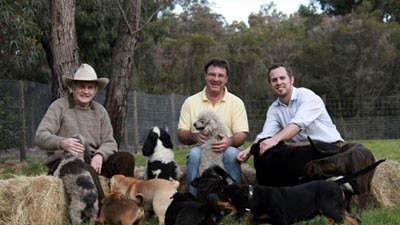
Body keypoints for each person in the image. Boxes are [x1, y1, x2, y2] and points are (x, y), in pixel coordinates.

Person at [35, 63, 135, 202]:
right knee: (87, 170)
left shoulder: (100, 111)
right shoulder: (59, 106)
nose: (86, 91)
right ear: (73, 87)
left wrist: (100, 154)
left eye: (90, 87)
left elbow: (110, 142)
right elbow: (40, 136)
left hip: (94, 160)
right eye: (82, 86)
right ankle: (103, 210)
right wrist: (62, 142)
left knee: (126, 158)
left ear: (95, 90)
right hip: (66, 161)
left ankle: (126, 202)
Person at [237, 63, 343, 162]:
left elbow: (297, 125)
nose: (279, 83)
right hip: (305, 148)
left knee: (280, 152)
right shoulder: (274, 109)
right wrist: (249, 150)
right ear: (270, 85)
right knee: (267, 152)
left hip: (329, 147)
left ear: (291, 80)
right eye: (274, 80)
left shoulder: (307, 96)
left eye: (282, 78)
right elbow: (266, 134)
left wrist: (274, 140)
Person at [177, 58, 249, 196]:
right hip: (201, 148)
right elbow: (181, 133)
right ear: (205, 76)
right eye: (212, 74)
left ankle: (236, 196)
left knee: (231, 154)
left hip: (227, 149)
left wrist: (229, 141)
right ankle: (193, 197)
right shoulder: (190, 102)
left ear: (226, 79)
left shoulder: (236, 102)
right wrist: (194, 136)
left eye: (220, 75)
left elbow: (242, 134)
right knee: (194, 154)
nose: (216, 79)